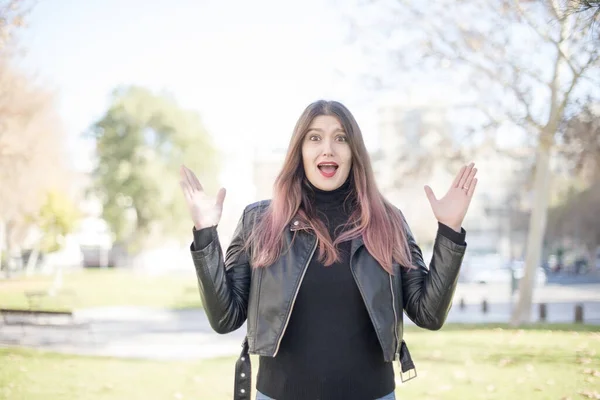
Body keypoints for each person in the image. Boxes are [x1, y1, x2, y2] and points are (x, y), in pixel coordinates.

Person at [180, 100, 478, 400]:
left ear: (354, 152)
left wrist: (449, 231)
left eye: (341, 138)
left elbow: (429, 314)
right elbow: (225, 318)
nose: (328, 149)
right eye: (314, 137)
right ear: (300, 151)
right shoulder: (259, 220)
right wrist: (205, 234)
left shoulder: (389, 221)